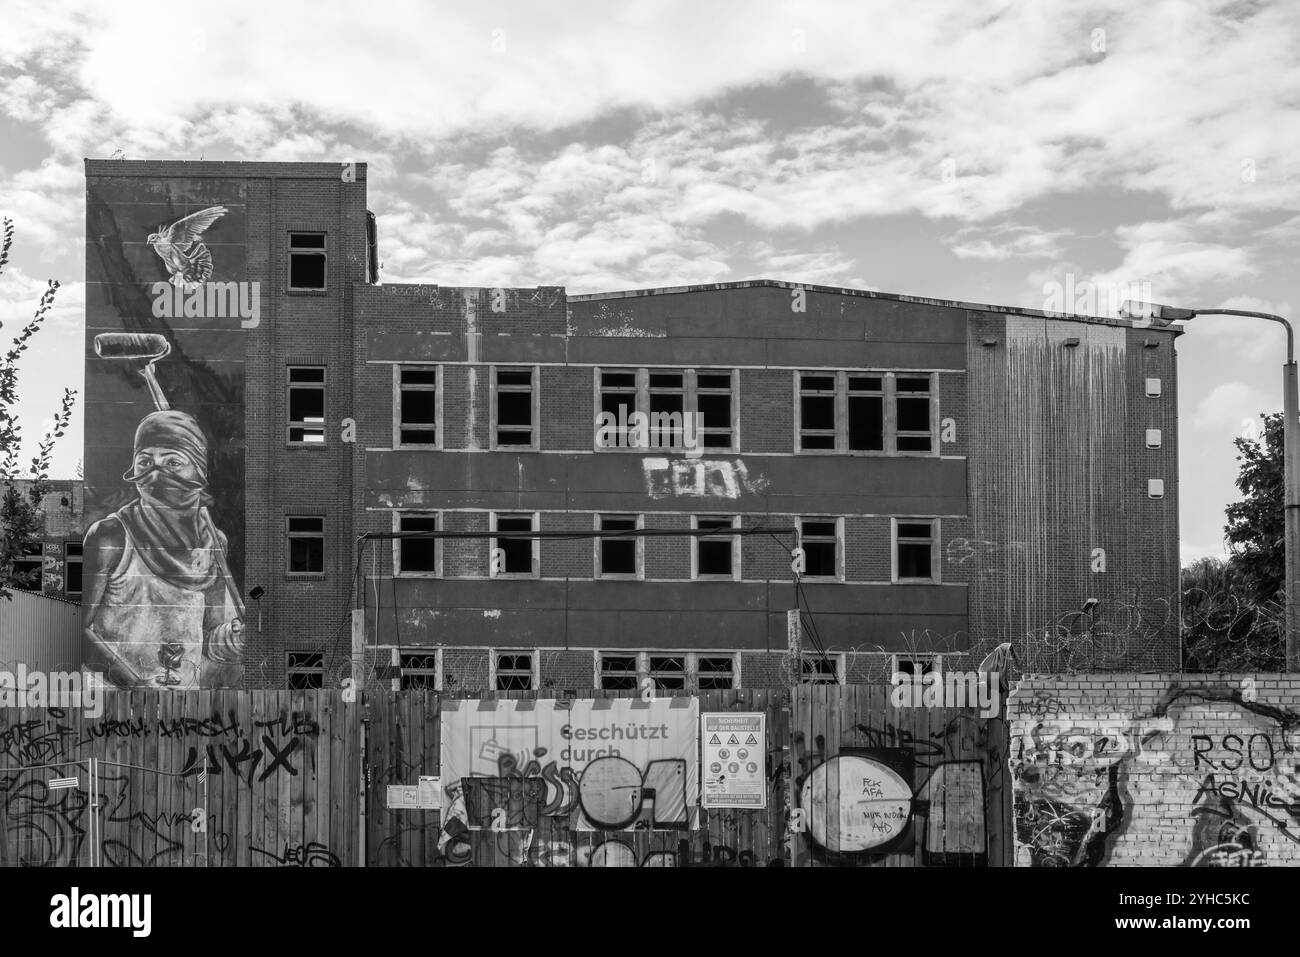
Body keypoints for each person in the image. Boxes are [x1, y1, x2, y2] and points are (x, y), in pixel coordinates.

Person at [83, 410, 244, 688]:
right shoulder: (111, 536)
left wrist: (235, 638)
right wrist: (137, 685)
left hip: (183, 708)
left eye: (172, 462)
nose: (155, 473)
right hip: (115, 703)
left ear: (199, 470)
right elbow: (81, 631)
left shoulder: (214, 542)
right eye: (145, 461)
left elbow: (209, 639)